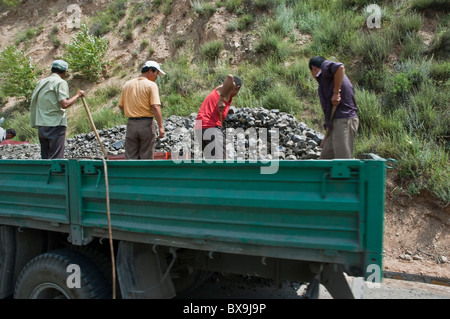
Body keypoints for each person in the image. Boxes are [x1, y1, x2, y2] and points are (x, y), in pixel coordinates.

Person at [30, 60, 85, 159]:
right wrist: (78, 95)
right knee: (56, 159)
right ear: (64, 72)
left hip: (42, 125)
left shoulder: (41, 82)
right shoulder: (60, 82)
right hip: (55, 125)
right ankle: (56, 174)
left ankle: (46, 174)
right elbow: (65, 104)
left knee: (45, 158)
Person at [309, 56, 359, 159]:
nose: (312, 75)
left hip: (344, 120)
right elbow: (330, 112)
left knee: (343, 161)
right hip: (336, 123)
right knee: (325, 160)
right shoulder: (325, 81)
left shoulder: (325, 67)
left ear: (314, 68)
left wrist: (336, 93)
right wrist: (326, 137)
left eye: (311, 71)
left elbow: (340, 67)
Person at [119, 61, 166, 159]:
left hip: (131, 125)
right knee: (146, 156)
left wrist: (132, 111)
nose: (157, 76)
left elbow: (121, 106)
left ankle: (131, 174)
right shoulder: (151, 85)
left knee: (130, 156)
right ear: (150, 71)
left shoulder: (127, 84)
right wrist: (161, 127)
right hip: (146, 124)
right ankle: (145, 173)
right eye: (156, 73)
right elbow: (155, 107)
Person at [194, 74, 242, 160]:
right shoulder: (225, 90)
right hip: (209, 126)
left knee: (211, 161)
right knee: (220, 162)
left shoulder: (226, 94)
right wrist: (220, 99)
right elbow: (229, 77)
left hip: (199, 127)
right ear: (237, 88)